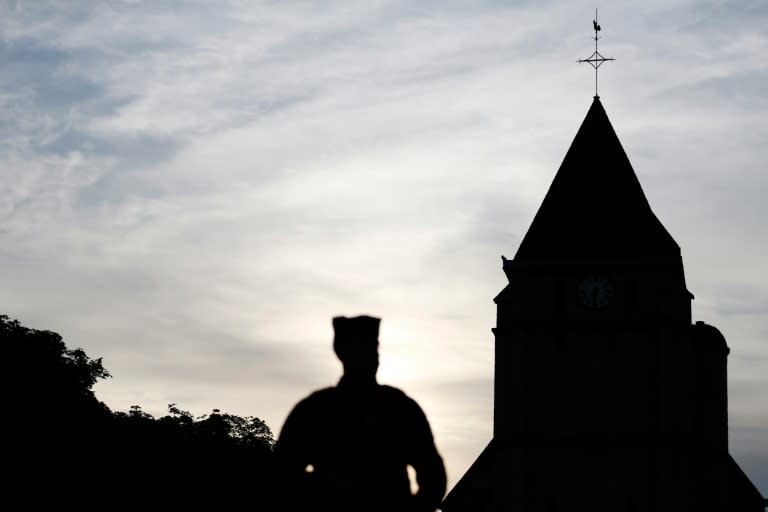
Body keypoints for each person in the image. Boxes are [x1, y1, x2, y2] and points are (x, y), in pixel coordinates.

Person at [272, 315, 447, 512]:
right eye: (365, 347)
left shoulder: (398, 407)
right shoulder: (315, 409)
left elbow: (433, 475)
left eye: (374, 346)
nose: (373, 355)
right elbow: (281, 475)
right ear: (344, 352)